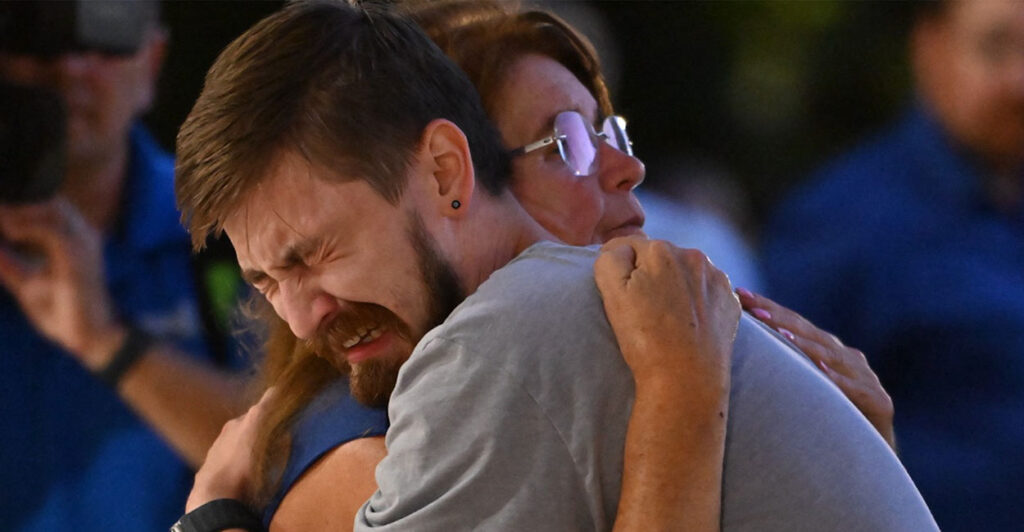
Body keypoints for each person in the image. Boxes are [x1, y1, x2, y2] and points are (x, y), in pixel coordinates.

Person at [173, 2, 935, 531]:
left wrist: (212, 517)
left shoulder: (497, 345)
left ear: (447, 171)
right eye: (564, 143)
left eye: (316, 254)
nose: (300, 316)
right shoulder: (411, 395)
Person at [762, 1, 1024, 529]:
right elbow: (783, 443)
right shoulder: (842, 223)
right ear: (931, 49)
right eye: (995, 48)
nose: (1020, 80)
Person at [0, 2, 250, 530]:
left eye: (106, 33)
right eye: (37, 34)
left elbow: (295, 456)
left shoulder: (235, 227)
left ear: (152, 63)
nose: (70, 67)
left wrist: (105, 342)